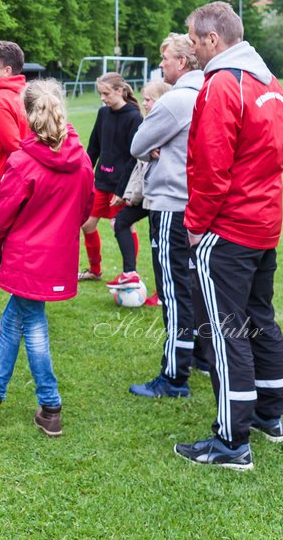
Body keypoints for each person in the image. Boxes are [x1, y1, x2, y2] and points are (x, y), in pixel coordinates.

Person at [174, 2, 283, 470]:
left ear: (212, 39)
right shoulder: (269, 81)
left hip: (228, 228)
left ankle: (231, 440)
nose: (190, 46)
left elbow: (209, 166)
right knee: (259, 317)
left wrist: (196, 225)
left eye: (193, 38)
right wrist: (258, 180)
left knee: (227, 332)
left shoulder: (222, 83)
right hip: (264, 223)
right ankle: (270, 415)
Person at [0, 80, 93, 436]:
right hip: (53, 254)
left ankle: (49, 405)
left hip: (27, 255)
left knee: (31, 326)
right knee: (16, 321)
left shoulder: (24, 161)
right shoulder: (79, 160)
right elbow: (85, 207)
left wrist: (5, 244)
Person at [127, 35, 205, 398]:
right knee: (198, 285)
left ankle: (174, 376)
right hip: (200, 203)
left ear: (183, 63)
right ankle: (202, 356)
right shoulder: (210, 92)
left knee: (174, 291)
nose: (161, 65)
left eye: (166, 59)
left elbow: (137, 145)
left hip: (172, 203)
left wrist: (158, 146)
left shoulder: (176, 100)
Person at [106, 80, 171, 306]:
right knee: (120, 221)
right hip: (145, 192)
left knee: (158, 244)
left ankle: (164, 294)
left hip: (162, 195)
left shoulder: (169, 123)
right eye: (143, 99)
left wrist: (159, 152)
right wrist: (123, 191)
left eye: (149, 100)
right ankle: (129, 272)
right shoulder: (146, 122)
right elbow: (133, 157)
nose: (144, 103)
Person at [80, 73, 142, 283]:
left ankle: (130, 273)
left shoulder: (134, 117)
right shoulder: (103, 113)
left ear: (120, 91)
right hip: (101, 181)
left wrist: (121, 190)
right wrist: (85, 174)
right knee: (87, 224)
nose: (102, 98)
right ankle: (94, 271)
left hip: (120, 184)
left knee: (122, 225)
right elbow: (94, 147)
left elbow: (134, 157)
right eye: (100, 94)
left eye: (106, 93)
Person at [0, 41, 29, 204]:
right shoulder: (28, 94)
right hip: (27, 177)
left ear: (7, 70)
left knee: (0, 230)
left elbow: (13, 147)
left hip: (6, 180)